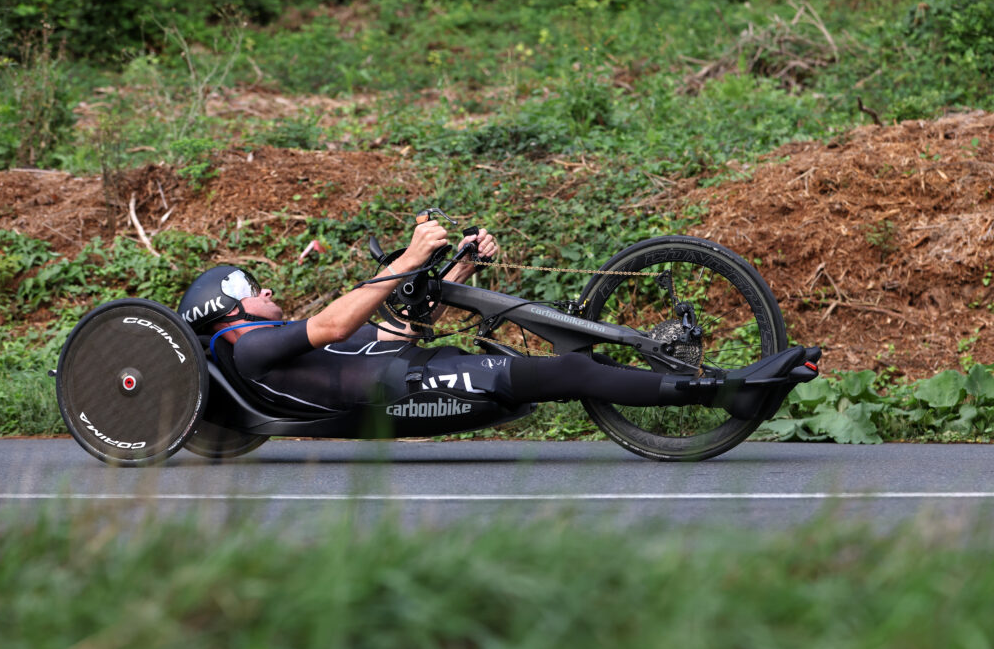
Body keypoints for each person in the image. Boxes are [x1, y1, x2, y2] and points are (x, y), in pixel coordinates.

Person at [177, 220, 819, 420]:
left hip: (401, 371)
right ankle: (728, 393)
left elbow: (390, 333)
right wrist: (406, 257)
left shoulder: (264, 347)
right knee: (571, 372)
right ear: (227, 308)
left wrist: (457, 269)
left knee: (571, 367)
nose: (270, 294)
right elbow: (338, 326)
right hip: (401, 393)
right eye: (256, 290)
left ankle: (729, 388)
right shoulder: (246, 349)